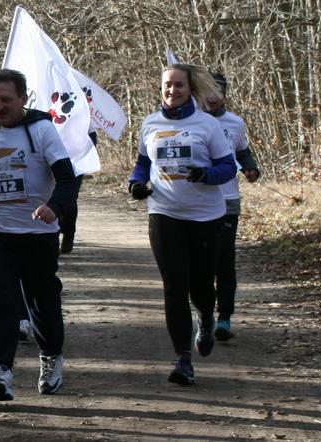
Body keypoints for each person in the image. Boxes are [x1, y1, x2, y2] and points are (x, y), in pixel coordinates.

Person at [0, 68, 76, 401]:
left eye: (5, 100)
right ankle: (1, 370)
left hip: (37, 232)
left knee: (42, 301)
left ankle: (51, 356)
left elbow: (68, 180)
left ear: (23, 99)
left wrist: (53, 207)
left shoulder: (42, 130)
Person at [128, 63, 237, 386]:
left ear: (190, 90)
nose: (172, 91)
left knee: (201, 284)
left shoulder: (206, 125)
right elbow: (143, 163)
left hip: (205, 216)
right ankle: (182, 359)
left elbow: (227, 166)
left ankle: (205, 316)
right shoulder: (150, 123)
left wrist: (206, 175)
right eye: (167, 85)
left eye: (178, 86)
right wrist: (136, 184)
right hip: (164, 213)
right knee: (174, 285)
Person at [204, 73, 260, 341]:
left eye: (219, 91)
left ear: (225, 94)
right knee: (200, 263)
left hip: (227, 201)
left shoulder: (235, 122)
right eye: (208, 91)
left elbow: (241, 151)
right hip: (195, 203)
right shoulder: (190, 122)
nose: (213, 97)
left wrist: (250, 167)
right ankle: (204, 314)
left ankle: (224, 317)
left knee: (224, 261)